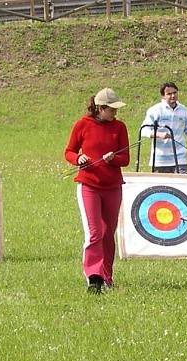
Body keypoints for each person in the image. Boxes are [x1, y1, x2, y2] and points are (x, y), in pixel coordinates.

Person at [64, 88, 131, 294]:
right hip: (89, 186)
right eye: (111, 110)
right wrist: (78, 159)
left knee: (108, 233)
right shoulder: (82, 125)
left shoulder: (119, 127)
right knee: (95, 233)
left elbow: (125, 159)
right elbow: (69, 151)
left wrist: (114, 159)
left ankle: (107, 275)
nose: (115, 114)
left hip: (112, 187)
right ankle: (94, 277)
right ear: (100, 109)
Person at [140, 82, 187, 174]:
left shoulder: (183, 110)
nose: (173, 96)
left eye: (174, 93)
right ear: (163, 96)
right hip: (160, 159)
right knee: (162, 188)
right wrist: (159, 134)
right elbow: (144, 130)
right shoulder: (155, 110)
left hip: (180, 158)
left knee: (183, 185)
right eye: (169, 94)